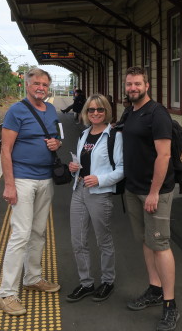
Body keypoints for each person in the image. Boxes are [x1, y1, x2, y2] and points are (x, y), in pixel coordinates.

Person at [0, 68, 63, 316]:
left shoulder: (52, 110)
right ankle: (6, 293)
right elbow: (5, 150)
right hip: (23, 180)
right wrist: (10, 185)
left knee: (38, 232)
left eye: (45, 85)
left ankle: (32, 277)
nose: (41, 88)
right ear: (27, 85)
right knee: (21, 234)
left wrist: (58, 143)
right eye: (36, 83)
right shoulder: (16, 111)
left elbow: (57, 138)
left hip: (46, 179)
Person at [122, 66, 179, 331]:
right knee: (147, 242)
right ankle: (155, 289)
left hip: (154, 191)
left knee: (160, 244)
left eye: (137, 84)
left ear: (147, 85)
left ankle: (170, 305)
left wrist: (154, 192)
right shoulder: (130, 111)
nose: (133, 88)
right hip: (133, 189)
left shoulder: (157, 114)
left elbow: (164, 155)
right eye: (129, 84)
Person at [66, 94, 124, 303]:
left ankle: (108, 281)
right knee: (78, 240)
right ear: (86, 113)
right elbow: (82, 162)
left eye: (100, 109)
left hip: (99, 194)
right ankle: (86, 283)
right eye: (91, 110)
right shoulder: (83, 135)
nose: (96, 113)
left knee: (103, 239)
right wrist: (74, 168)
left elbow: (122, 169)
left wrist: (100, 179)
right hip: (79, 189)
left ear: (106, 111)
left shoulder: (114, 136)